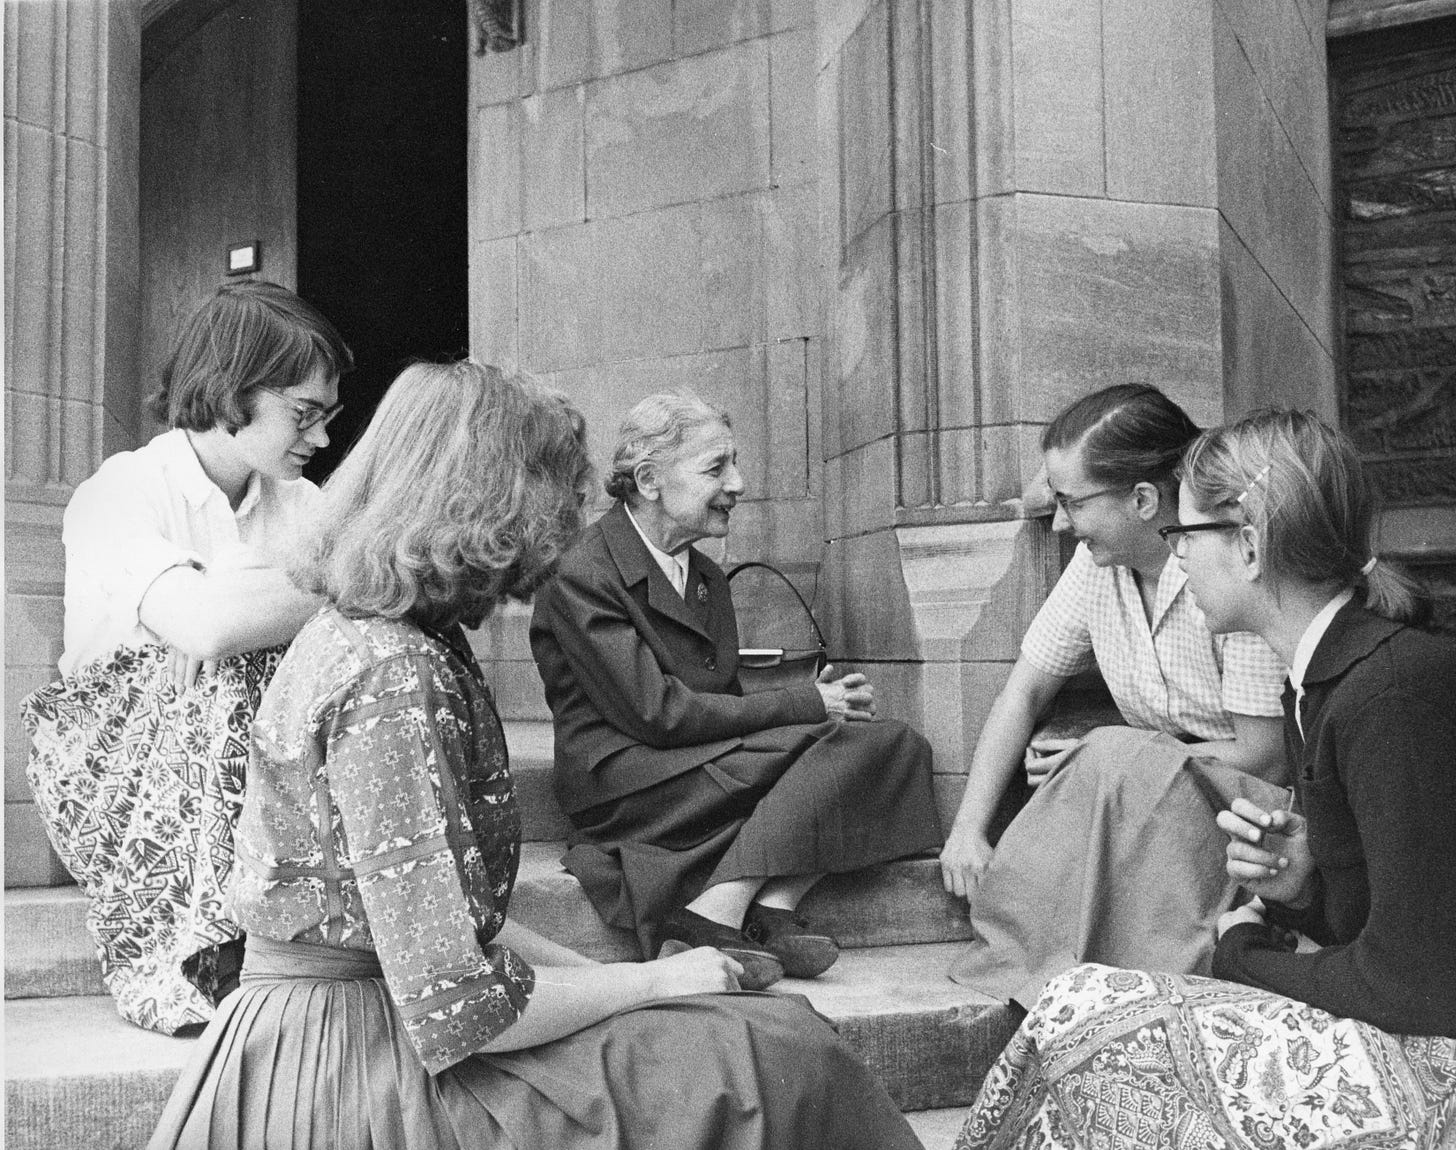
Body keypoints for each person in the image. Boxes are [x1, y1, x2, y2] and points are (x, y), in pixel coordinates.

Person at [148, 360, 923, 1150]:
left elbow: (447, 921)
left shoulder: (394, 638)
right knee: (776, 1060)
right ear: (490, 503)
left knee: (757, 1029)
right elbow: (460, 1010)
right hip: (357, 1074)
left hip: (364, 1028)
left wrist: (635, 985)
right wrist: (654, 979)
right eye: (552, 498)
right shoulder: (389, 675)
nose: (562, 529)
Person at [953, 409, 1456, 1150]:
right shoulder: (1320, 683)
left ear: (1249, 546)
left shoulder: (1390, 691)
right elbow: (1388, 927)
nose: (1178, 556)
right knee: (1083, 1017)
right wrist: (1304, 892)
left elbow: (1413, 985)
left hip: (1434, 1073)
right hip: (1407, 1041)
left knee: (1079, 1010)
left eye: (1187, 535)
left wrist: (1242, 954)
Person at [22, 280, 352, 1033]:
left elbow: (376, 590)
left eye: (326, 418)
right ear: (235, 392)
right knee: (236, 665)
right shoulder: (122, 489)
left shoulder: (298, 502)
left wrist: (251, 612)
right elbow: (208, 627)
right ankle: (203, 957)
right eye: (304, 414)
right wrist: (262, 610)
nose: (322, 439)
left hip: (236, 747)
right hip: (108, 762)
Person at [529, 391, 943, 988]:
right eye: (716, 467)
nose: (739, 483)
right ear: (648, 480)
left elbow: (721, 696)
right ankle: (717, 911)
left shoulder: (704, 576)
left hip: (698, 762)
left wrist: (811, 704)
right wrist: (804, 707)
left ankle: (769, 908)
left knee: (893, 744)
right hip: (629, 780)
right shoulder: (581, 572)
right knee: (827, 744)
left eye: (735, 464)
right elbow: (658, 713)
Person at [941, 384, 1288, 1006]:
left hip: (1248, 816)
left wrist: (1126, 756)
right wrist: (968, 828)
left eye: (1071, 502)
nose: (1058, 522)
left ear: (1145, 499)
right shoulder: (1097, 568)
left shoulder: (1230, 570)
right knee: (1091, 771)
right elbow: (1022, 694)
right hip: (1149, 803)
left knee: (1102, 759)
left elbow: (1267, 757)